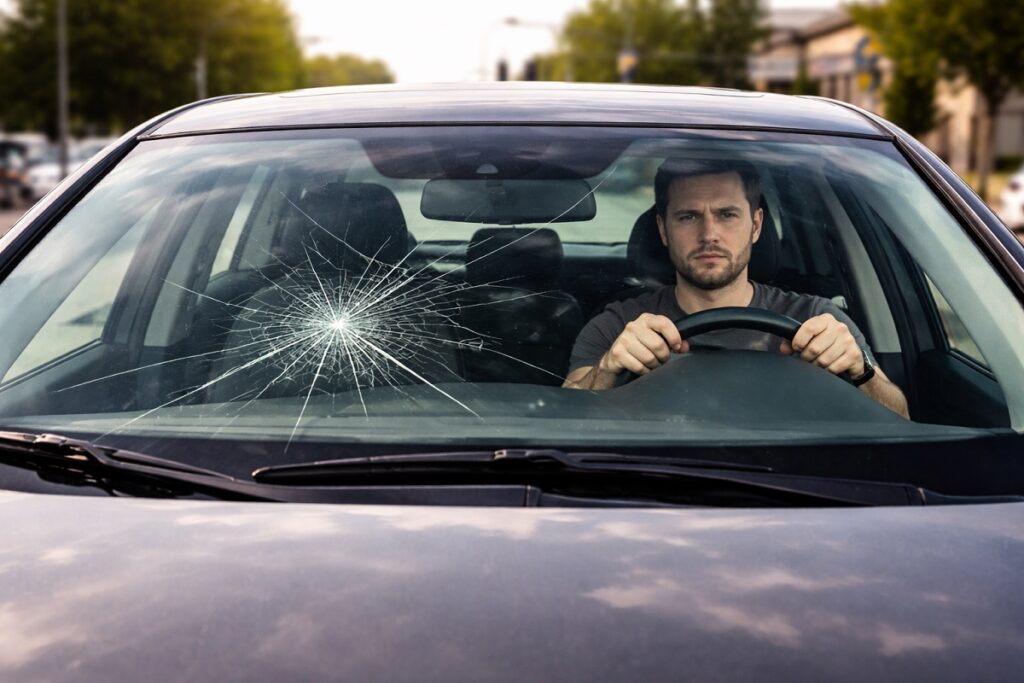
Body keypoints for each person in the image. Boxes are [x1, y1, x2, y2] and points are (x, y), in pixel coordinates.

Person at [562, 157, 909, 418]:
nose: (709, 233)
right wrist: (607, 370)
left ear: (756, 225)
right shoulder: (620, 326)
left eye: (727, 214)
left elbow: (901, 418)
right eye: (688, 216)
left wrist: (859, 372)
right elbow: (565, 417)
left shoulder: (815, 320)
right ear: (663, 230)